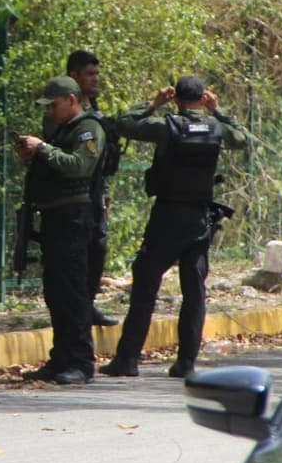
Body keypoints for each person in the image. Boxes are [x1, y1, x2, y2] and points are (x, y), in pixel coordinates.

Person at [99, 77, 249, 379]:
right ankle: (186, 362)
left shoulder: (167, 127)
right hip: (199, 219)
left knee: (146, 284)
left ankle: (128, 359)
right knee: (194, 291)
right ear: (203, 99)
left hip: (168, 216)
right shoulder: (214, 128)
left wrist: (153, 103)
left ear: (176, 99)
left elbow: (124, 124)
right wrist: (217, 111)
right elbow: (243, 138)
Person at [14, 75, 105, 385]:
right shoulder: (62, 129)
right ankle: (61, 358)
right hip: (55, 218)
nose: (50, 111)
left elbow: (80, 165)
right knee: (56, 292)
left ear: (71, 100)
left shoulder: (88, 128)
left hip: (75, 220)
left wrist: (43, 149)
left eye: (54, 105)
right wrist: (35, 155)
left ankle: (81, 361)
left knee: (73, 293)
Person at [65, 50, 121, 327]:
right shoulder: (64, 108)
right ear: (74, 75)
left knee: (98, 247)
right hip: (74, 193)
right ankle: (77, 310)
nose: (95, 79)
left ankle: (88, 305)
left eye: (97, 73)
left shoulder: (93, 108)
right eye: (89, 74)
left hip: (95, 189)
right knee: (77, 255)